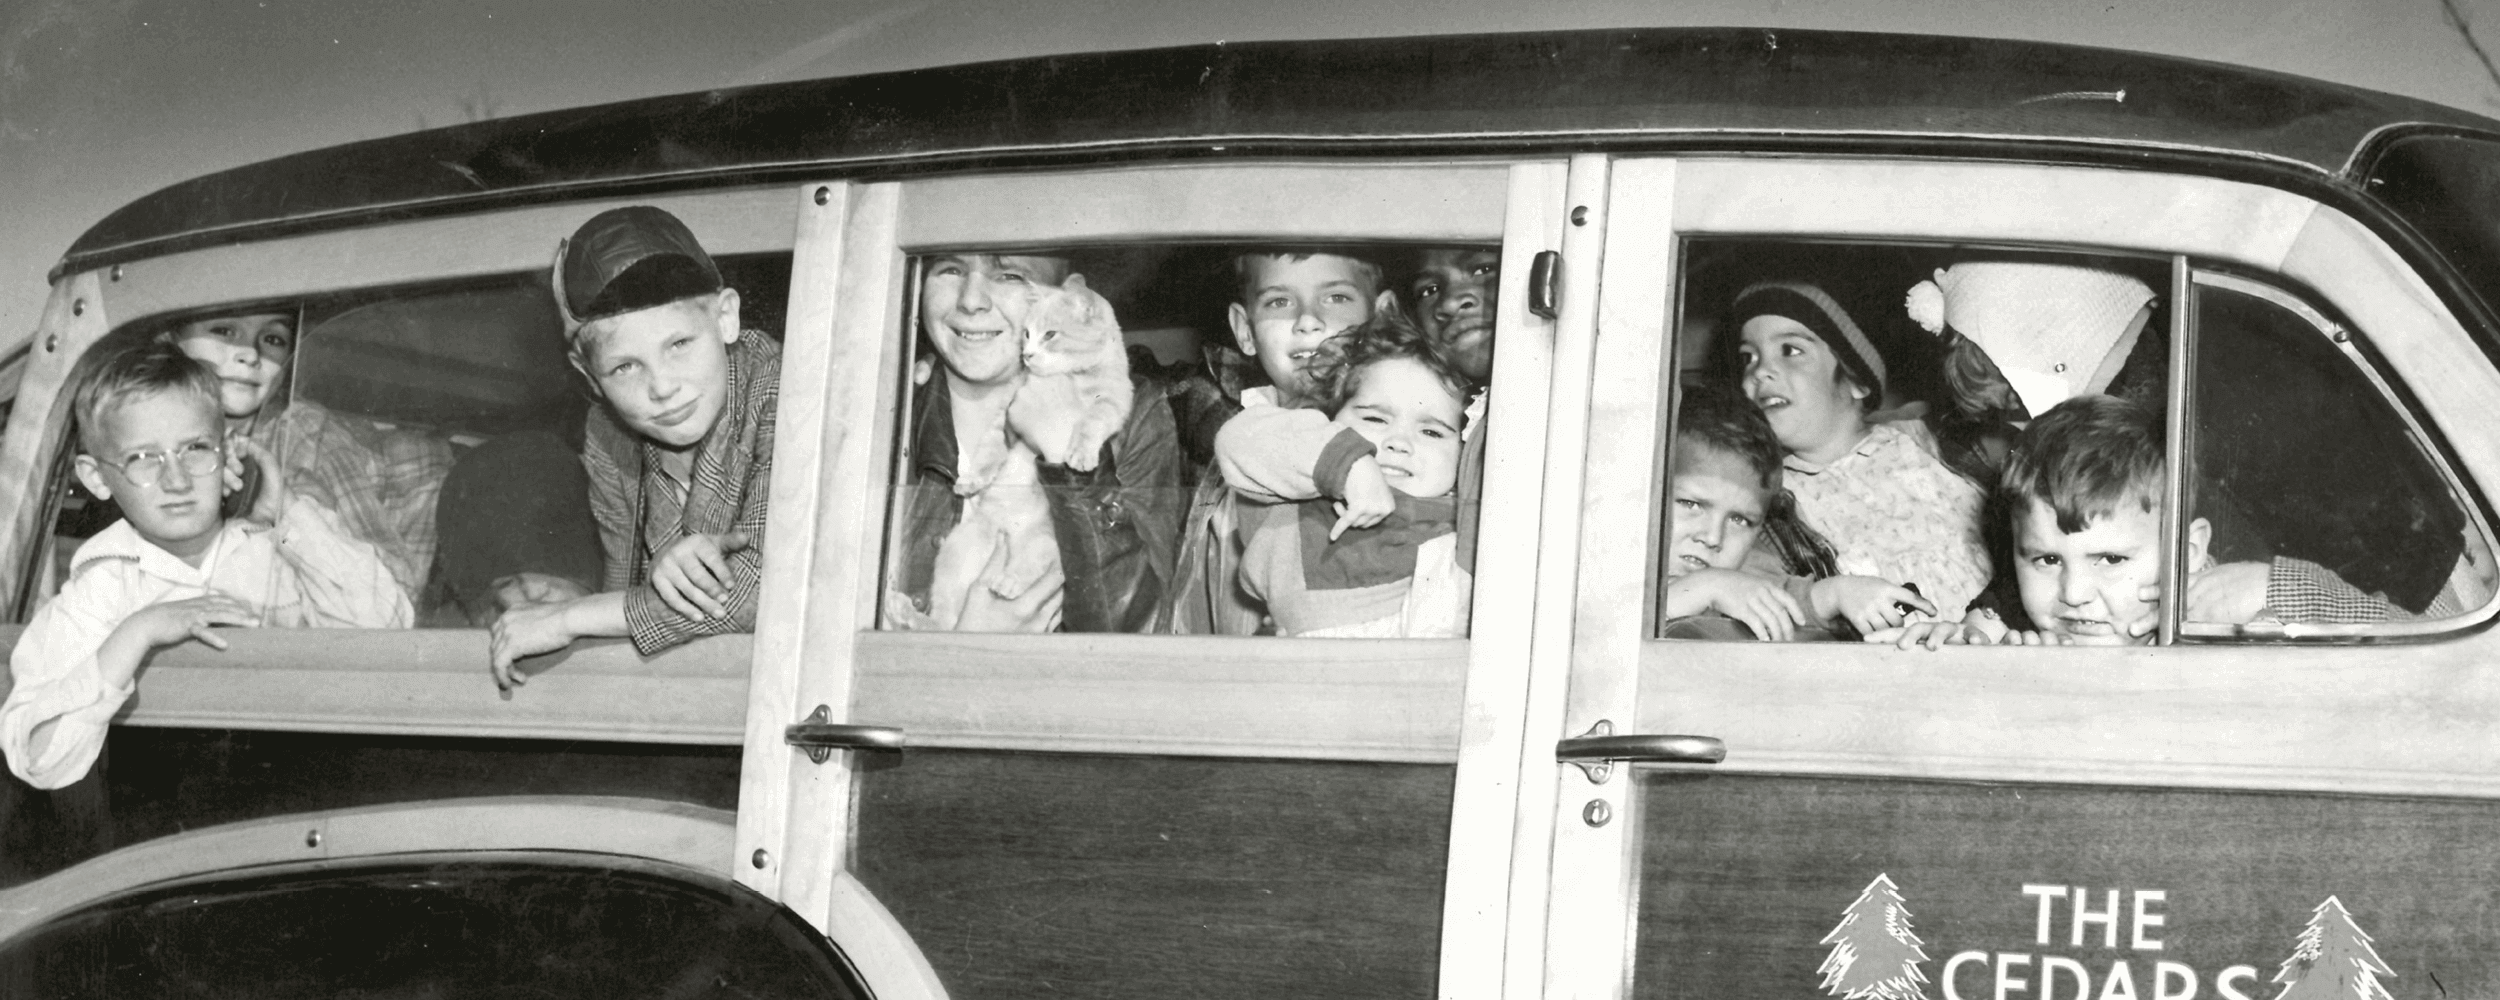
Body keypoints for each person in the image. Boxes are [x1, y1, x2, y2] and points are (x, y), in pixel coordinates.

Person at [2, 339, 410, 789]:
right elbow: (36, 755)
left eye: (195, 448)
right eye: (142, 459)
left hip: (314, 787)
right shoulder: (101, 587)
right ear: (97, 478)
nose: (175, 480)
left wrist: (286, 507)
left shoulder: (281, 546)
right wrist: (138, 631)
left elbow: (389, 628)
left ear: (227, 451)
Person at [1894, 395, 2471, 647]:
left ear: (2189, 553)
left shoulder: (2237, 626)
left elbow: (2409, 649)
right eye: (2046, 559)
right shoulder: (2023, 631)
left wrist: (2269, 586)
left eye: (2111, 560)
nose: (2073, 594)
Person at [488, 206, 777, 688]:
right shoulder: (610, 441)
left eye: (679, 344)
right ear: (589, 377)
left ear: (726, 318)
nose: (662, 387)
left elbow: (758, 593)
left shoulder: (782, 392)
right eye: (626, 367)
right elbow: (624, 601)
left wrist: (566, 617)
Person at [889, 253, 1182, 633]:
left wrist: (1062, 449)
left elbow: (1142, 633)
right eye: (950, 269)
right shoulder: (884, 406)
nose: (971, 299)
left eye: (1009, 274)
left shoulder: (1135, 415)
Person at [1728, 280, 1991, 620]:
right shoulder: (1766, 501)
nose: (1759, 370)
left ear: (1856, 380)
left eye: (1790, 350)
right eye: (1748, 357)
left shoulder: (1926, 440)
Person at [1167, 249, 1399, 634]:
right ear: (1245, 330)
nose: (1307, 320)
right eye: (1279, 301)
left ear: (1384, 317)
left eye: (1336, 297)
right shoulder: (1246, 434)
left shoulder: (1398, 429)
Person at [169, 311, 454, 601]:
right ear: (170, 342)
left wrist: (286, 515)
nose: (250, 354)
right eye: (225, 331)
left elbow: (391, 596)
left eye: (272, 339)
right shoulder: (154, 439)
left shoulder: (302, 436)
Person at [1235, 319, 1475, 636]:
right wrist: (1347, 462)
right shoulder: (1302, 488)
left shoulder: (1463, 529)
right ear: (1329, 418)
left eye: (1431, 431)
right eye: (1375, 418)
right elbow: (1241, 439)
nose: (1399, 442)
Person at [1659, 379, 1933, 641]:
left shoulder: (1744, 573)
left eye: (1739, 520)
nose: (1712, 537)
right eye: (1690, 504)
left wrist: (1839, 593)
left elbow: (1789, 599)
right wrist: (1704, 587)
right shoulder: (1622, 568)